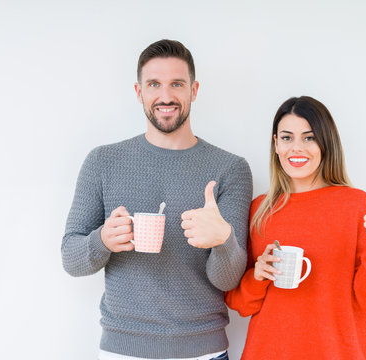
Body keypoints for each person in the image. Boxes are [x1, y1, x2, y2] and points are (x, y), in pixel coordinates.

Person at [62, 39, 252, 360]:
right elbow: (71, 258)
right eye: (154, 84)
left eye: (177, 84)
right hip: (122, 350)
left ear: (194, 90)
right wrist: (103, 241)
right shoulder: (103, 161)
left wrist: (224, 240)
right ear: (139, 92)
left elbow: (228, 278)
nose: (166, 96)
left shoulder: (230, 169)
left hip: (203, 352)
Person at [225, 96, 366, 360]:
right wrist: (257, 277)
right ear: (276, 144)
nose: (296, 148)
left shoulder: (358, 206)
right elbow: (239, 304)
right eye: (286, 137)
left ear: (326, 143)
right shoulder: (259, 210)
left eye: (309, 138)